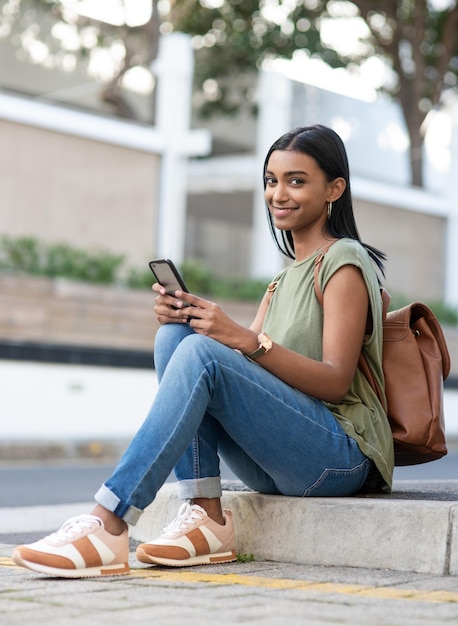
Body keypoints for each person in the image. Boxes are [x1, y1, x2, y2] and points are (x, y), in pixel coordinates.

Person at [13, 124, 394, 578]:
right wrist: (194, 321)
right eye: (271, 181)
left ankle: (109, 520)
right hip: (281, 457)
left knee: (202, 353)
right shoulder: (282, 279)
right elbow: (247, 375)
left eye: (296, 181)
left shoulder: (345, 261)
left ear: (334, 188)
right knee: (176, 339)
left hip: (339, 456)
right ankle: (206, 515)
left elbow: (334, 378)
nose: (279, 194)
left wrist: (239, 338)